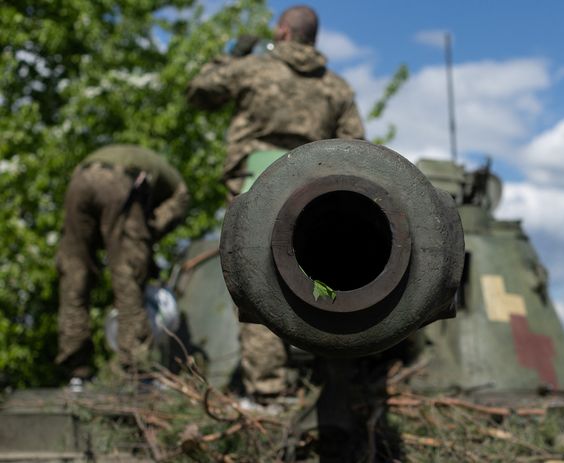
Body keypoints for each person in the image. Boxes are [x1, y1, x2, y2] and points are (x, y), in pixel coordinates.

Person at [186, 5, 365, 400]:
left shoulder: (253, 69)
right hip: (315, 191)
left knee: (257, 278)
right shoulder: (336, 86)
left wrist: (232, 54)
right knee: (324, 278)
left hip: (256, 184)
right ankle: (329, 382)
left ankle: (267, 389)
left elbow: (198, 91)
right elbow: (356, 149)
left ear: (283, 32)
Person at [55, 144, 189, 381]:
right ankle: (135, 366)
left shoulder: (124, 156)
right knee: (128, 276)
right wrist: (150, 232)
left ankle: (76, 368)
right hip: (119, 182)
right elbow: (181, 200)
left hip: (79, 180)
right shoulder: (173, 182)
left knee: (74, 273)